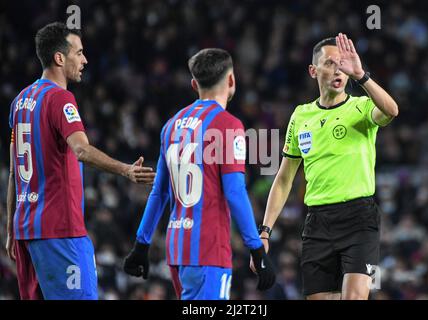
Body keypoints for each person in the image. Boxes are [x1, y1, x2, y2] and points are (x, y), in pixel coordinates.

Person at [5, 22, 155, 300]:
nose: (85, 60)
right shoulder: (61, 99)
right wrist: (126, 169)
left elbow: (15, 173)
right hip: (59, 231)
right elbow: (82, 151)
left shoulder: (19, 102)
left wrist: (11, 230)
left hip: (26, 232)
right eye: (80, 53)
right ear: (59, 58)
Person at [254, 33, 399, 300]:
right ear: (313, 70)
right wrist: (264, 232)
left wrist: (362, 76)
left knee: (354, 297)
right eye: (331, 63)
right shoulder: (301, 116)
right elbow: (285, 178)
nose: (339, 70)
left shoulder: (362, 107)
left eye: (343, 64)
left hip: (359, 218)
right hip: (317, 222)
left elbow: (391, 111)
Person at [123, 48, 276, 300]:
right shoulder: (228, 125)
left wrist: (142, 243)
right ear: (231, 80)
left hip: (177, 249)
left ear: (194, 84)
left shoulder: (171, 125)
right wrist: (257, 250)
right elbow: (235, 192)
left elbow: (159, 192)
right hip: (208, 250)